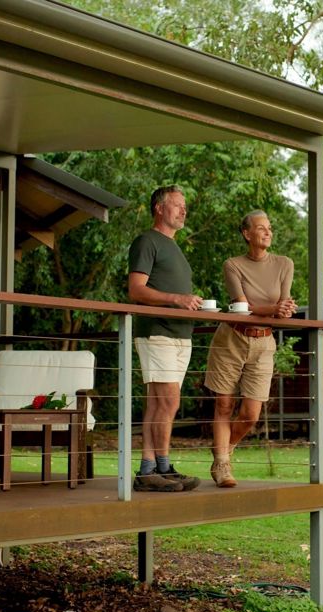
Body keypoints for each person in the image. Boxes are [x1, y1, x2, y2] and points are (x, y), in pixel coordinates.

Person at [204, 210, 297, 488]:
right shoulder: (232, 265)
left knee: (251, 414)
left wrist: (285, 309)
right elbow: (241, 307)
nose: (268, 232)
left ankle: (223, 450)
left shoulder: (284, 264)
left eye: (270, 228)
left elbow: (283, 306)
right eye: (261, 228)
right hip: (231, 338)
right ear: (247, 234)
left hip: (264, 342)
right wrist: (275, 309)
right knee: (223, 404)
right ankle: (222, 465)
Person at [128, 185, 202, 492]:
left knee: (162, 403)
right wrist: (176, 299)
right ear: (159, 208)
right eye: (177, 205)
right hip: (156, 331)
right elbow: (136, 290)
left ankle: (156, 468)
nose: (183, 210)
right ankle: (155, 469)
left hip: (179, 335)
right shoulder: (147, 241)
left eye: (184, 206)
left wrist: (190, 304)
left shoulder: (174, 246)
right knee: (167, 400)